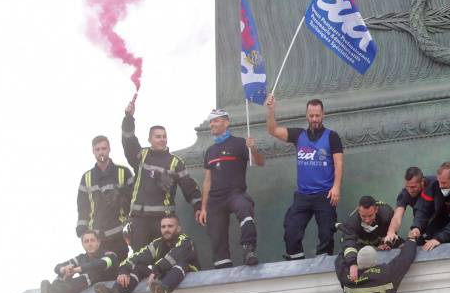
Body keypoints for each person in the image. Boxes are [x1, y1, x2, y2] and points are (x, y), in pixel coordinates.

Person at [265, 95, 344, 260]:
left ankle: (323, 266)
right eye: (311, 115)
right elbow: (273, 130)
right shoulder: (298, 135)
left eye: (317, 115)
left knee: (326, 234)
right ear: (306, 116)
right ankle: (296, 264)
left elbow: (339, 163)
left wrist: (336, 187)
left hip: (325, 194)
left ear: (323, 115)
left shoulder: (332, 136)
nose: (314, 119)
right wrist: (271, 111)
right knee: (291, 231)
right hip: (303, 195)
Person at [120, 97, 202, 250]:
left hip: (162, 221)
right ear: (150, 139)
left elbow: (189, 188)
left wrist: (198, 207)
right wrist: (128, 118)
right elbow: (128, 142)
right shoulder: (141, 155)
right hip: (139, 220)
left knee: (161, 261)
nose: (162, 140)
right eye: (158, 137)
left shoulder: (175, 162)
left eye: (164, 137)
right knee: (140, 261)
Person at [197, 109, 264, 268]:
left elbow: (260, 162)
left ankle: (249, 250)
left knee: (244, 207)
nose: (212, 124)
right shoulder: (210, 151)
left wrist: (253, 148)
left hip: (235, 193)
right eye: (211, 122)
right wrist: (204, 207)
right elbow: (207, 181)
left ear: (226, 122)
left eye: (216, 120)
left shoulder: (240, 143)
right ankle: (222, 266)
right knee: (216, 236)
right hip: (215, 200)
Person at [98, 213, 199, 293]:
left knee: (181, 264)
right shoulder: (158, 243)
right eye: (163, 227)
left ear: (178, 228)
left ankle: (162, 292)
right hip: (161, 275)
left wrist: (156, 270)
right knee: (138, 268)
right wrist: (123, 270)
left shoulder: (186, 241)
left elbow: (173, 258)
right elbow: (138, 257)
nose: (166, 229)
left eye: (170, 226)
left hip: (184, 274)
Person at [39, 230, 120, 293]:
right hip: (82, 284)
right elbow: (57, 267)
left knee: (92, 273)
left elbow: (100, 264)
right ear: (83, 244)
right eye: (86, 241)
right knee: (63, 273)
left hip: (103, 285)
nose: (89, 244)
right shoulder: (81, 258)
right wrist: (64, 269)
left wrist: (77, 269)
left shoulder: (110, 255)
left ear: (98, 242)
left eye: (92, 240)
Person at [77, 135, 134, 259]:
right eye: (97, 149)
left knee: (120, 273)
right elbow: (82, 207)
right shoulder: (86, 178)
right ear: (93, 151)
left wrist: (123, 197)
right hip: (97, 238)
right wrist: (82, 229)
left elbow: (135, 201)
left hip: (119, 235)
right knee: (98, 273)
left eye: (104, 148)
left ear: (109, 149)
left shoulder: (124, 172)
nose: (101, 152)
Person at [336, 195, 400, 270]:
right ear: (359, 211)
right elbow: (349, 243)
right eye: (363, 216)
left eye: (370, 215)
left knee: (402, 244)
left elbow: (393, 231)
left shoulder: (386, 213)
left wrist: (388, 243)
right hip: (361, 245)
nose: (367, 220)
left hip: (380, 240)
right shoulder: (352, 222)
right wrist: (352, 264)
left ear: (376, 210)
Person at [389, 166, 424, 242]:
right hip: (421, 223)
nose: (410, 190)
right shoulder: (404, 194)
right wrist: (391, 232)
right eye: (407, 187)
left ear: (422, 182)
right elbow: (397, 217)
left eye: (413, 187)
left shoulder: (433, 185)